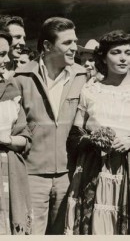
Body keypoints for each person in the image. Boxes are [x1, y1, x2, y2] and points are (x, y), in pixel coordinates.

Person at [14, 17, 87, 235]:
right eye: (67, 43)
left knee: (62, 234)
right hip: (30, 174)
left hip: (68, 174)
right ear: (47, 46)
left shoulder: (81, 76)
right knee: (30, 234)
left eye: (75, 41)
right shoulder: (21, 77)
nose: (74, 47)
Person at [65, 30, 130, 235]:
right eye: (116, 52)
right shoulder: (90, 90)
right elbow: (75, 134)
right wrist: (94, 140)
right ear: (103, 57)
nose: (123, 58)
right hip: (94, 168)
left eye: (128, 53)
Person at [0, 30, 32, 234]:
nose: (5, 60)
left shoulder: (11, 89)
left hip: (8, 173)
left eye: (4, 53)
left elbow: (25, 138)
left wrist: (7, 138)